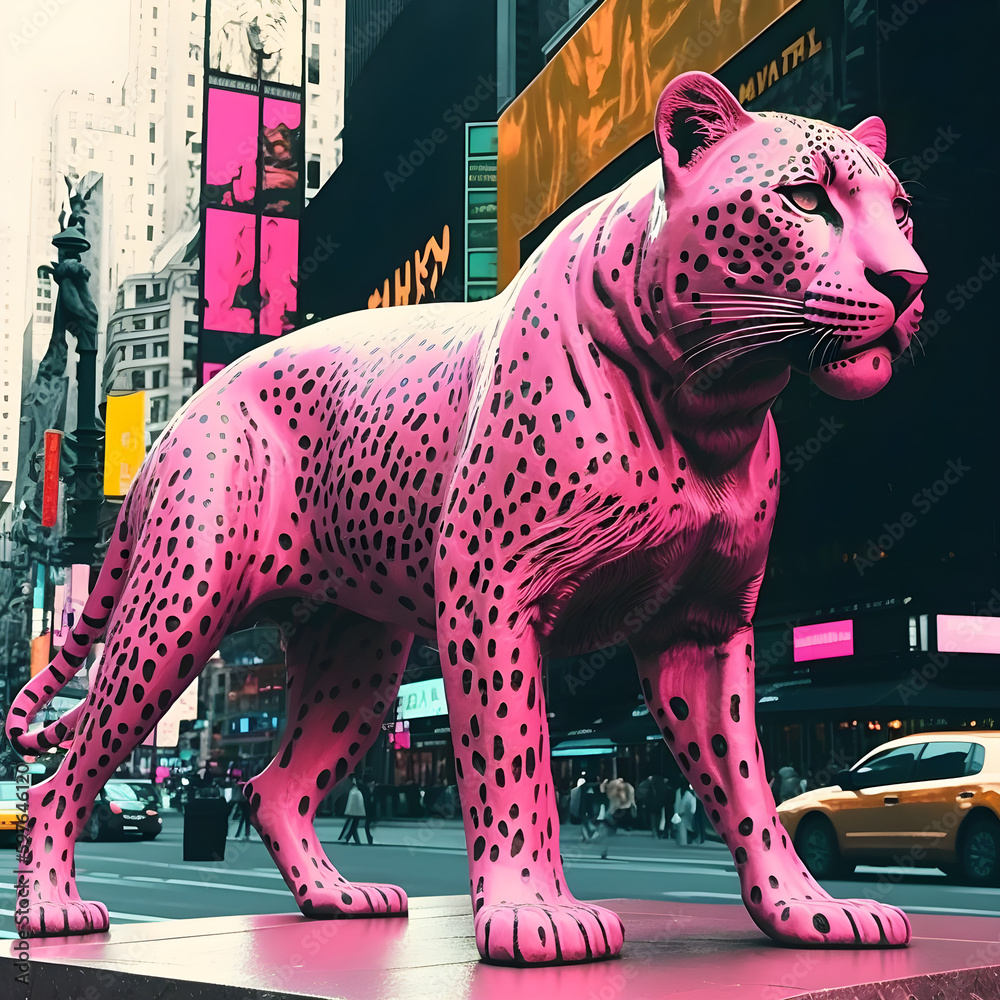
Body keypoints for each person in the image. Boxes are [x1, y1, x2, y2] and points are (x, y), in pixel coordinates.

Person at [339, 774, 366, 845]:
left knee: (353, 824)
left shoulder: (352, 789)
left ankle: (348, 838)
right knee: (354, 824)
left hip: (353, 810)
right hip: (356, 810)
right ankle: (350, 838)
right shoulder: (357, 790)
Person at [360, 770, 377, 845]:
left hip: (370, 810)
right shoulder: (365, 789)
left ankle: (369, 838)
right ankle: (369, 838)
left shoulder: (374, 789)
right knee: (366, 826)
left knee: (367, 826)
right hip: (367, 810)